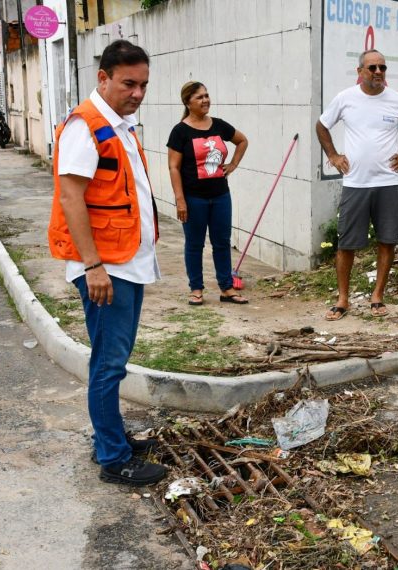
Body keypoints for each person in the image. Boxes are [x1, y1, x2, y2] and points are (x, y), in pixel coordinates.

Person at [47, 40, 166, 486]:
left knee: (114, 358)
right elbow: (71, 195)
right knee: (108, 363)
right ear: (103, 78)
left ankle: (111, 438)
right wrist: (92, 265)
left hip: (124, 261)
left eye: (143, 84)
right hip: (106, 267)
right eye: (128, 83)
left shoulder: (121, 125)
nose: (137, 92)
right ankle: (114, 459)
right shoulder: (88, 125)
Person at [316, 49, 398, 321]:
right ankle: (342, 299)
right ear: (360, 72)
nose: (378, 72)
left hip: (387, 182)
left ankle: (377, 295)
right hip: (355, 183)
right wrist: (333, 155)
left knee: (387, 241)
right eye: (372, 68)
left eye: (382, 67)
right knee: (347, 244)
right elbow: (322, 125)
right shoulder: (346, 99)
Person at [167, 81, 249, 306]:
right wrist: (180, 200)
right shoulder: (180, 131)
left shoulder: (219, 125)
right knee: (194, 244)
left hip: (221, 195)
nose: (205, 100)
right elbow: (174, 167)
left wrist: (232, 164)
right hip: (193, 198)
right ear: (187, 102)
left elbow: (242, 141)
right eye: (199, 97)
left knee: (222, 242)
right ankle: (196, 289)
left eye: (206, 95)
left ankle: (226, 287)